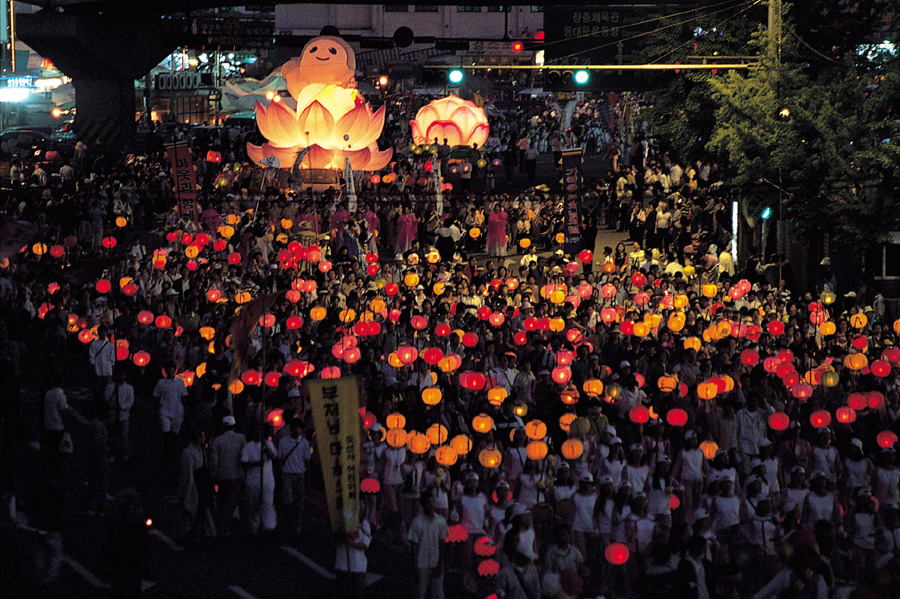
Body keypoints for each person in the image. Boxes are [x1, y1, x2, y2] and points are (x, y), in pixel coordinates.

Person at [407, 490, 449, 599]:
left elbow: (442, 543)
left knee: (438, 594)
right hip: (422, 564)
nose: (431, 505)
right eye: (428, 503)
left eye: (432, 502)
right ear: (423, 504)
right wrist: (415, 565)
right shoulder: (417, 522)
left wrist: (441, 562)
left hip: (435, 561)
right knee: (421, 593)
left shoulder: (440, 521)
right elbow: (414, 546)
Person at [210, 415, 245, 536]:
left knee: (221, 500)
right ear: (234, 426)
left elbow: (214, 461)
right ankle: (224, 526)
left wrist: (214, 475)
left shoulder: (217, 441)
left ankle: (220, 525)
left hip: (221, 475)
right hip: (236, 475)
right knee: (231, 502)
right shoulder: (241, 438)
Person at [278, 416, 311, 535]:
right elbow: (280, 458)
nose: (296, 430)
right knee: (289, 500)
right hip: (287, 473)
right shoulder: (284, 441)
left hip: (299, 474)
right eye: (294, 428)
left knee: (298, 502)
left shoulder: (304, 443)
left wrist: (307, 476)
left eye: (298, 428)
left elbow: (307, 460)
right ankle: (289, 524)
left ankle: (296, 525)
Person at [242, 426, 277, 535]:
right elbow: (243, 463)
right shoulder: (248, 447)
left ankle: (269, 527)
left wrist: (265, 444)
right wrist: (256, 464)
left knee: (267, 503)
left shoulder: (269, 444)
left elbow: (273, 456)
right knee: (253, 506)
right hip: (253, 482)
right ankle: (253, 528)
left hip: (267, 481)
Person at [334, 505, 372, 599]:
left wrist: (351, 543)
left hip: (358, 567)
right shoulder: (340, 522)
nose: (360, 508)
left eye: (362, 505)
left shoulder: (364, 524)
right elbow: (335, 539)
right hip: (342, 565)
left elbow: (365, 545)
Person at [103, 368, 134, 461]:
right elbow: (106, 399)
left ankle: (124, 453)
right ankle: (114, 453)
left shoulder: (128, 388)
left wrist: (122, 407)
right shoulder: (110, 387)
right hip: (113, 415)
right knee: (113, 435)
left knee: (123, 435)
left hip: (123, 415)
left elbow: (130, 401)